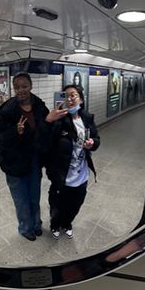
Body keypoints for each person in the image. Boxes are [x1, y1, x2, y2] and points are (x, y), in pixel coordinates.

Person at [0, 72, 49, 241]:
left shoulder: (39, 106)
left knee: (34, 197)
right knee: (21, 200)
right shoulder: (7, 111)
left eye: (24, 86)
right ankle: (25, 228)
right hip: (14, 164)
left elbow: (45, 129)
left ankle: (36, 224)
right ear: (13, 88)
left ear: (31, 86)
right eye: (17, 87)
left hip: (34, 162)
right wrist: (16, 132)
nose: (21, 90)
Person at [42, 83, 100, 239]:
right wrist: (48, 121)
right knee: (57, 207)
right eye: (66, 96)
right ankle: (55, 225)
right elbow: (44, 143)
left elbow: (96, 139)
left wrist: (92, 143)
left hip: (81, 177)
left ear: (80, 99)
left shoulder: (87, 118)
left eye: (73, 95)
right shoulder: (59, 121)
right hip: (62, 177)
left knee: (75, 206)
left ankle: (67, 223)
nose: (70, 98)